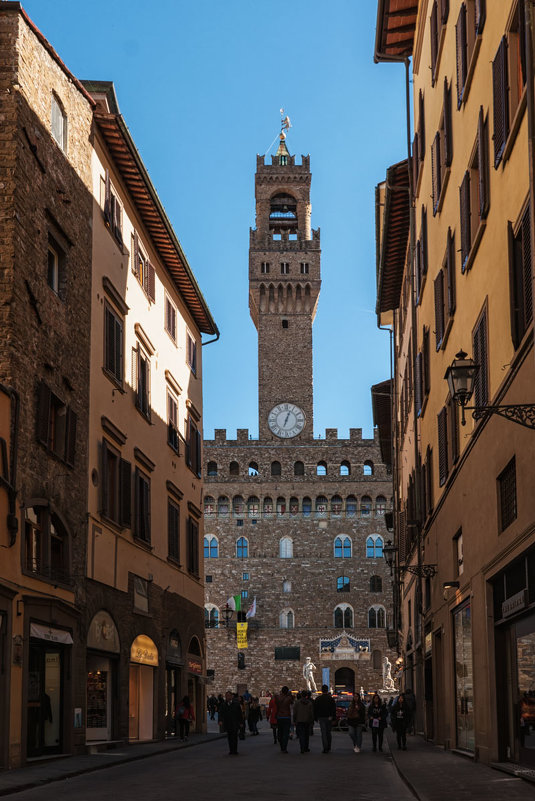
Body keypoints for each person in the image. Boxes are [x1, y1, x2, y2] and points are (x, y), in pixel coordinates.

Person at [314, 684, 336, 753]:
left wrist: (315, 718)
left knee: (323, 733)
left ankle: (325, 748)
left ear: (322, 690)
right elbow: (333, 709)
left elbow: (315, 709)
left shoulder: (318, 699)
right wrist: (333, 718)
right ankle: (329, 746)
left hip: (321, 717)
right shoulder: (331, 699)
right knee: (328, 732)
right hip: (329, 717)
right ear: (327, 690)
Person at [274, 685, 294, 753]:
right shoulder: (289, 698)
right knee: (285, 733)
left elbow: (276, 703)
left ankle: (281, 744)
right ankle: (284, 747)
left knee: (280, 731)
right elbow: (292, 702)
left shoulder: (277, 697)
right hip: (287, 716)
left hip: (279, 716)